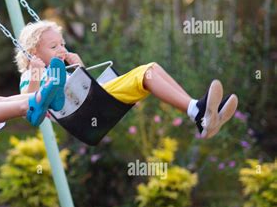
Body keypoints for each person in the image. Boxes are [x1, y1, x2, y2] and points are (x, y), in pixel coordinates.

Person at [15, 20, 238, 139]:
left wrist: (79, 65)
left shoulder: (65, 71)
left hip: (94, 101)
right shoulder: (32, 73)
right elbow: (28, 103)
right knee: (145, 73)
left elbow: (85, 87)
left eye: (62, 44)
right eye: (54, 46)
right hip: (82, 113)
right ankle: (197, 113)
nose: (61, 49)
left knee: (151, 70)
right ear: (33, 52)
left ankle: (199, 113)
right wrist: (35, 71)